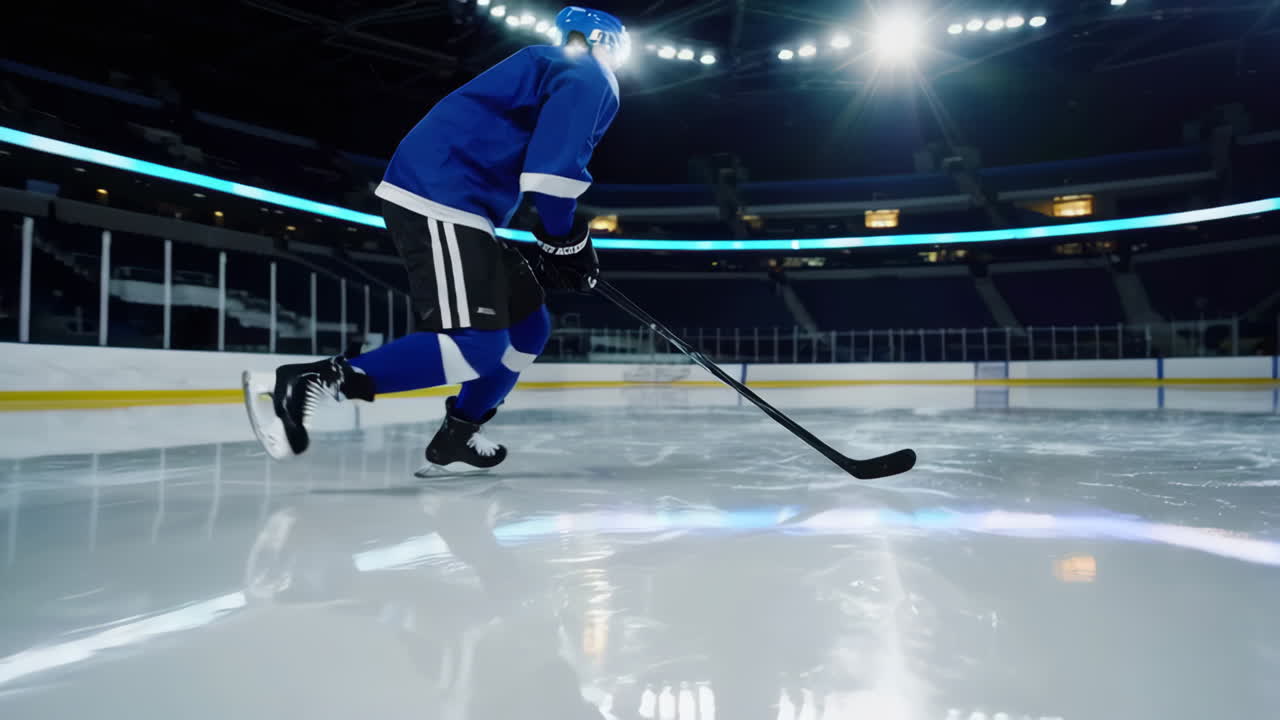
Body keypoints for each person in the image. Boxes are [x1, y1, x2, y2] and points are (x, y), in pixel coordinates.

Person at [243, 7, 627, 473]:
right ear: (609, 43)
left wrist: (559, 242)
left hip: (457, 198)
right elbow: (551, 176)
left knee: (529, 326)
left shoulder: (549, 64)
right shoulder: (592, 73)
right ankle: (315, 380)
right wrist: (564, 241)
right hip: (443, 195)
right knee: (477, 346)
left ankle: (458, 434)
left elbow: (538, 168)